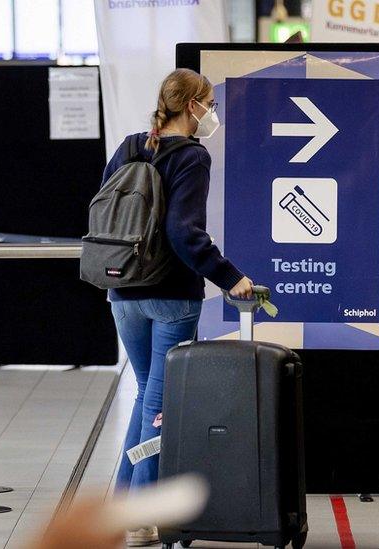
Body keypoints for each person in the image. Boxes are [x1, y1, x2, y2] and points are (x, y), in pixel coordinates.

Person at [102, 68, 253, 547]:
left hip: (122, 290)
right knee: (161, 404)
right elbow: (184, 233)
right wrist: (232, 277)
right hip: (170, 295)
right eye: (208, 102)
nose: (212, 112)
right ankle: (141, 517)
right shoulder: (192, 156)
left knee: (149, 392)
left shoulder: (129, 146)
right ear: (191, 105)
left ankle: (123, 505)